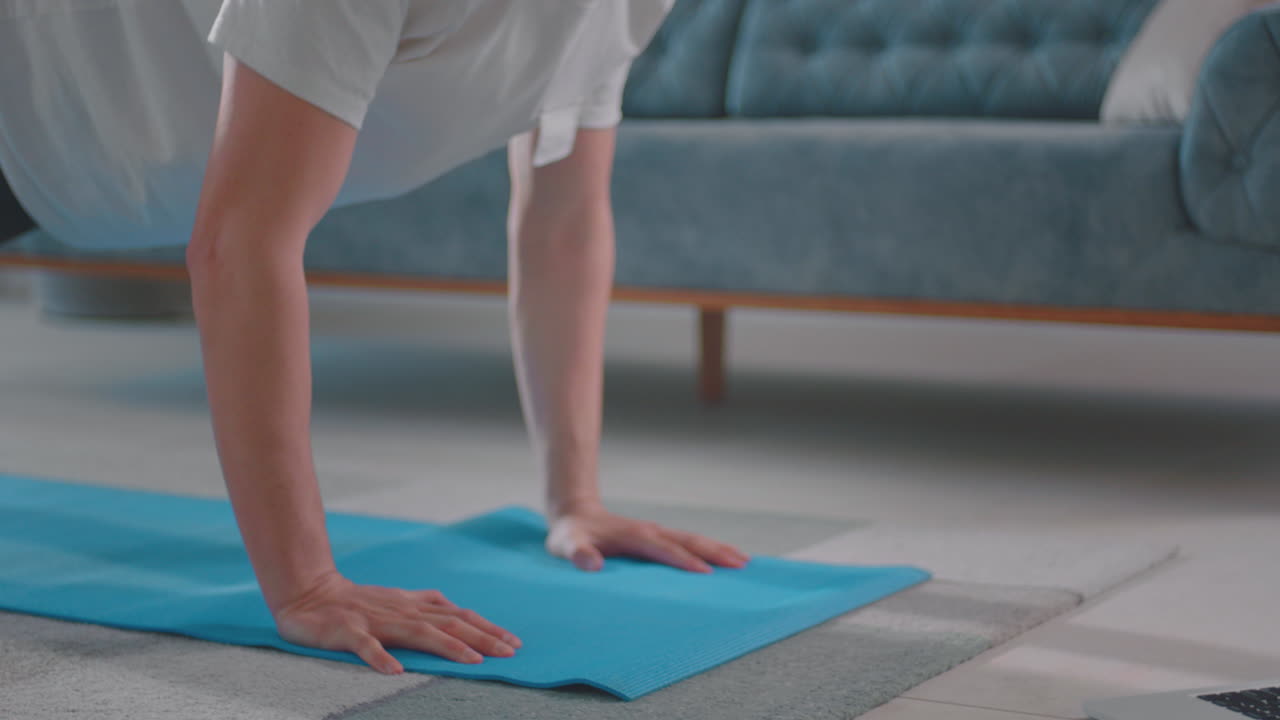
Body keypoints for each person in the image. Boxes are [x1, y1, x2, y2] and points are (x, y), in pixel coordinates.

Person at [0, 0, 750, 675]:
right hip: (31, 106)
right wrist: (306, 586)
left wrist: (575, 500)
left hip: (105, 169)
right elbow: (239, 246)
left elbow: (565, 221)